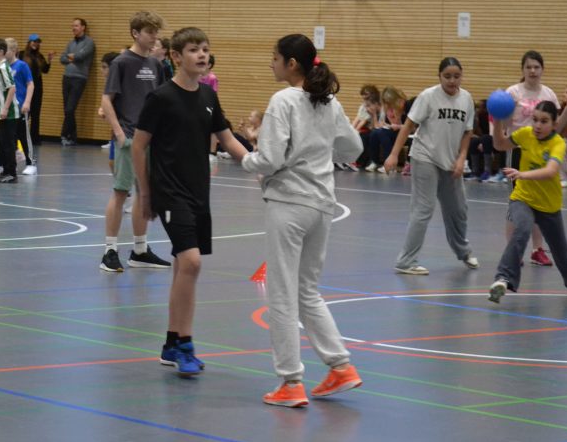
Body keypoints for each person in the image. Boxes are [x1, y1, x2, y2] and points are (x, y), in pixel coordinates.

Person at [235, 34, 363, 407]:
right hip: (321, 206)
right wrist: (318, 150)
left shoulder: (284, 100)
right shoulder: (328, 102)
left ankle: (290, 381)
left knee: (282, 292)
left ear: (292, 63)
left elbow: (271, 159)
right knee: (306, 290)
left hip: (289, 203)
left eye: (274, 58)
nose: (270, 64)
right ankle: (341, 367)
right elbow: (353, 148)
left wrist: (246, 158)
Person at [133, 27, 249, 377]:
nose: (202, 55)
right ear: (176, 56)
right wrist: (146, 194)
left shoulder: (208, 96)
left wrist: (260, 164)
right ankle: (185, 344)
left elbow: (228, 139)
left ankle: (172, 343)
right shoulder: (161, 97)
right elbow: (139, 145)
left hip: (199, 192)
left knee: (184, 268)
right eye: (194, 49)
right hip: (169, 192)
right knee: (192, 262)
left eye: (205, 49)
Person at [488, 101, 567, 304]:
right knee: (522, 229)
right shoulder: (525, 134)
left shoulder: (557, 143)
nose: (538, 125)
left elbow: (550, 171)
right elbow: (499, 145)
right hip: (523, 198)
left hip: (549, 205)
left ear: (554, 124)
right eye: (535, 120)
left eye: (544, 121)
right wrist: (498, 122)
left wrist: (522, 174)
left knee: (561, 252)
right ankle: (503, 278)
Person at [387, 57, 479, 276]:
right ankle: (406, 261)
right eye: (447, 76)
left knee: (458, 209)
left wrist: (461, 159)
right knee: (423, 209)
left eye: (456, 76)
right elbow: (408, 125)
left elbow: (467, 132)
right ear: (439, 76)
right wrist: (393, 154)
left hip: (450, 162)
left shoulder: (466, 99)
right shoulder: (428, 96)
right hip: (424, 157)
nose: (452, 80)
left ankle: (463, 252)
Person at [99, 11, 171, 272]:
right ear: (135, 33)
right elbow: (107, 99)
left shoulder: (156, 65)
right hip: (129, 138)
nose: (154, 37)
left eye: (156, 32)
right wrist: (120, 134)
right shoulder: (122, 63)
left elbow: (162, 100)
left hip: (151, 139)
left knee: (144, 193)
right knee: (121, 192)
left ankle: (140, 250)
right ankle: (109, 251)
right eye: (149, 32)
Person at [501, 50, 560, 266]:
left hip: (541, 153)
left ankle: (537, 249)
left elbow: (557, 125)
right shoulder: (512, 93)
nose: (533, 71)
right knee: (517, 201)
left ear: (542, 69)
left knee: (538, 203)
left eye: (536, 67)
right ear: (523, 69)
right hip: (518, 150)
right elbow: (505, 125)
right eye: (529, 67)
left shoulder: (549, 94)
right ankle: (513, 251)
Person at [59, 17, 95, 146]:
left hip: (79, 78)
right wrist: (72, 56)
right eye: (72, 26)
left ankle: (64, 134)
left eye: (76, 26)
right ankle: (72, 137)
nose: (73, 28)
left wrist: (71, 56)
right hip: (66, 77)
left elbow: (81, 56)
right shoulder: (71, 43)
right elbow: (62, 58)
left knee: (70, 109)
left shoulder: (89, 42)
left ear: (83, 27)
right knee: (67, 109)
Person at [0, 38, 20, 183]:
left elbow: (12, 88)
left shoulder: (2, 68)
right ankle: (6, 169)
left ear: (1, 52)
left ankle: (11, 173)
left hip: (10, 114)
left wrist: (5, 108)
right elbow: (1, 91)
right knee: (3, 141)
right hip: (4, 113)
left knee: (8, 143)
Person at [6, 37, 36, 176]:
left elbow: (30, 84)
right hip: (9, 108)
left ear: (14, 51)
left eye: (5, 50)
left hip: (21, 105)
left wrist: (27, 102)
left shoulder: (22, 66)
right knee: (6, 135)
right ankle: (14, 156)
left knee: (23, 136)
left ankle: (31, 163)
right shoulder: (4, 67)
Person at [19, 33, 52, 147]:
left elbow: (45, 70)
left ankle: (35, 138)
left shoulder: (39, 56)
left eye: (37, 42)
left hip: (37, 88)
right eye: (34, 41)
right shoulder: (21, 55)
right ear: (29, 42)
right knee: (24, 114)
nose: (35, 44)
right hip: (25, 87)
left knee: (36, 114)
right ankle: (22, 137)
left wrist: (49, 61)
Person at [367, 86, 407, 172]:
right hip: (392, 130)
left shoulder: (404, 105)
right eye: (385, 101)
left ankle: (389, 165)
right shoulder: (386, 108)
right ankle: (374, 161)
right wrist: (375, 115)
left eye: (388, 101)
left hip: (404, 132)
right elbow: (377, 125)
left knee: (382, 133)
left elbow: (409, 126)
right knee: (374, 133)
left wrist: (397, 117)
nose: (387, 103)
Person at [469, 98, 495, 181]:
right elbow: (475, 132)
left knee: (486, 139)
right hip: (482, 138)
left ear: (485, 108)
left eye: (479, 107)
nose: (477, 109)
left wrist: (482, 142)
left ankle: (487, 171)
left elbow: (492, 132)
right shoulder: (477, 117)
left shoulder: (492, 116)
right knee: (473, 141)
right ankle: (475, 171)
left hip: (492, 138)